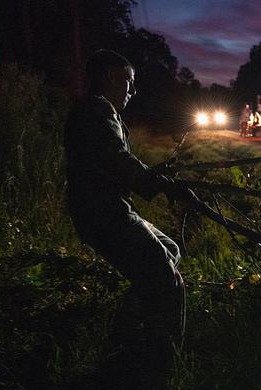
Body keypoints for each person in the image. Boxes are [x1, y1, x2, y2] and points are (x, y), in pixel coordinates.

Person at [64, 49, 191, 366]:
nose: (132, 91)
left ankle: (127, 329)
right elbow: (117, 161)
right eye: (128, 81)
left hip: (107, 208)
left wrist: (155, 176)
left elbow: (115, 162)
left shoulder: (98, 112)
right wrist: (157, 183)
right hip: (103, 213)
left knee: (170, 249)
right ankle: (163, 361)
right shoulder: (96, 113)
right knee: (166, 277)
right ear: (109, 77)